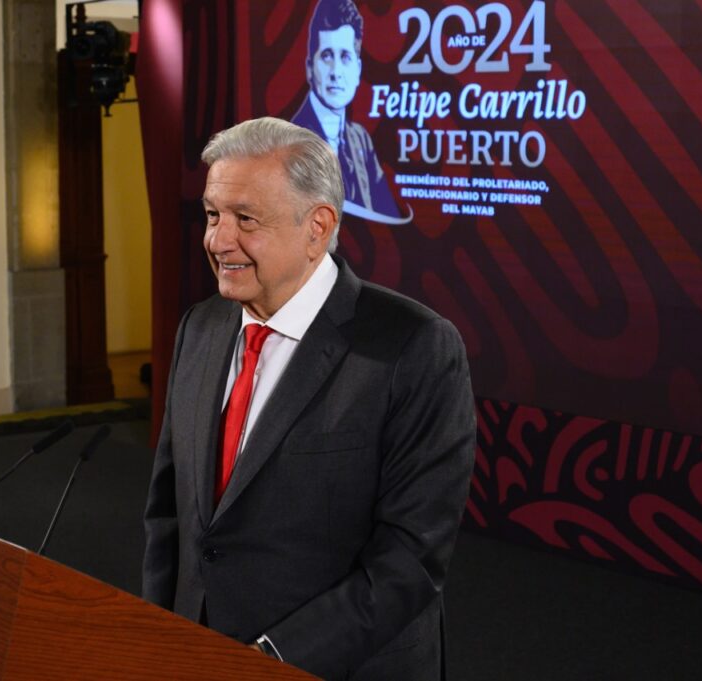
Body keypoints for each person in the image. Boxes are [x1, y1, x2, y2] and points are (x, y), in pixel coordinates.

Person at [142, 117, 475, 680]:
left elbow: (410, 558)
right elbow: (168, 516)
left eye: (245, 219)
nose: (219, 240)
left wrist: (271, 659)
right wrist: (153, 639)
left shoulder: (413, 347)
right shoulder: (199, 328)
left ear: (317, 227)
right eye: (213, 215)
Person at [291, 0, 405, 222]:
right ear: (309, 67)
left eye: (345, 57)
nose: (336, 72)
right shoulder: (291, 141)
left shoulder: (360, 139)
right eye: (326, 56)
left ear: (357, 69)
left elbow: (386, 217)